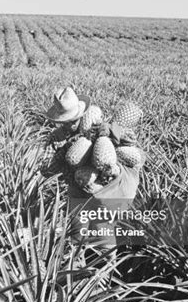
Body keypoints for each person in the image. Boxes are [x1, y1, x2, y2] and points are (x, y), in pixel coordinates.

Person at [42, 87, 143, 258]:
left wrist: (110, 133)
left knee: (103, 239)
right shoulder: (57, 136)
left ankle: (104, 276)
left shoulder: (98, 124)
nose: (68, 124)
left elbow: (133, 147)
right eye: (64, 121)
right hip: (77, 191)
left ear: (81, 113)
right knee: (76, 237)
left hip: (103, 192)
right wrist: (61, 154)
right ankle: (78, 270)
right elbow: (47, 166)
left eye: (72, 120)